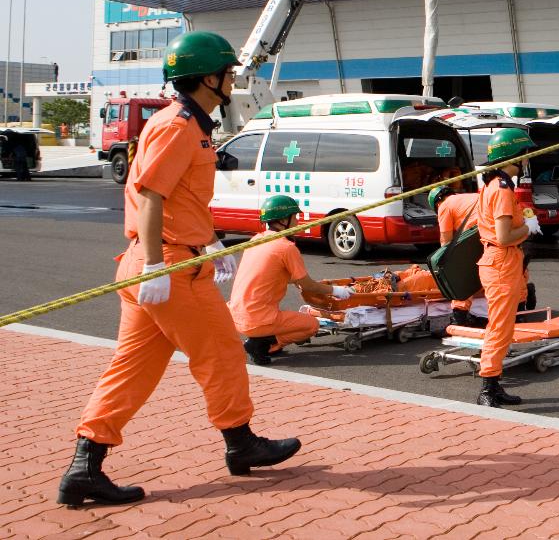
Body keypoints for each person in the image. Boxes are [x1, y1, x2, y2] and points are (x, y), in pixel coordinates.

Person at [58, 31, 300, 508]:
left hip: (164, 260)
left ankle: (84, 466)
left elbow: (182, 198)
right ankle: (240, 442)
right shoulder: (178, 126)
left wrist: (210, 240)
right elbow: (150, 195)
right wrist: (155, 266)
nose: (233, 80)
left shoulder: (190, 124)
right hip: (166, 266)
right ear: (208, 78)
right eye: (228, 73)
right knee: (224, 352)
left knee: (131, 372)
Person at [230, 195, 354, 365]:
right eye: (294, 217)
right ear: (283, 220)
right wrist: (337, 291)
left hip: (236, 315)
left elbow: (269, 274)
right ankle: (263, 344)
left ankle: (260, 341)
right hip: (257, 320)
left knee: (277, 318)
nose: (297, 221)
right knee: (311, 325)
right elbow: (308, 285)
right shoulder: (286, 247)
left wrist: (299, 281)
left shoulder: (256, 240)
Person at [474, 128, 541, 407]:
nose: (527, 160)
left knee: (503, 325)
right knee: (500, 326)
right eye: (524, 155)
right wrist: (528, 228)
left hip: (504, 261)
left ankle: (494, 382)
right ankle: (488, 387)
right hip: (501, 261)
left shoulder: (497, 185)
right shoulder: (500, 189)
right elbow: (503, 237)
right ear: (513, 156)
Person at [429, 185, 484, 326]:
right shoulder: (467, 198)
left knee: (461, 271)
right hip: (496, 229)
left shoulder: (444, 206)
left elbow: (446, 242)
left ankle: (460, 314)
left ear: (437, 203)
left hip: (478, 232)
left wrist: (444, 264)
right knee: (509, 267)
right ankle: (521, 306)